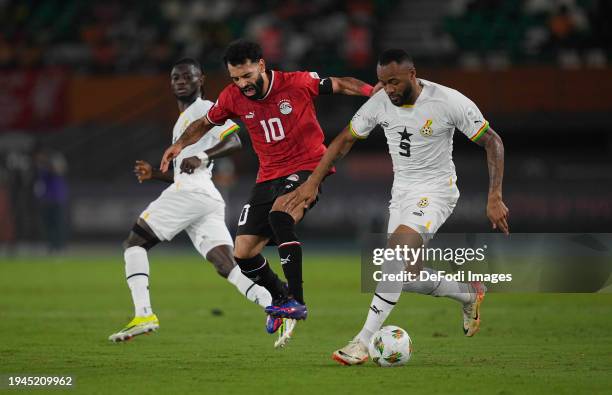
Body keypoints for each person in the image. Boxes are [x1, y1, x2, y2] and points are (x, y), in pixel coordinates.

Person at [285, 49, 509, 365]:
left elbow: (493, 141)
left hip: (436, 193)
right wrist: (312, 182)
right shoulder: (380, 102)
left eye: (393, 82)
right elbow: (344, 141)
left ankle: (362, 342)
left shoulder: (447, 101)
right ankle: (468, 292)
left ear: (412, 74)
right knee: (407, 275)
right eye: (382, 82)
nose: (388, 89)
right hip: (402, 194)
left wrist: (495, 195)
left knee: (395, 255)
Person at [160, 39, 375, 333]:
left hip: (307, 166)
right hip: (268, 175)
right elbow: (205, 122)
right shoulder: (232, 96)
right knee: (243, 252)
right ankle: (280, 296)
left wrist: (372, 93)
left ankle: (297, 301)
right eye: (235, 78)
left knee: (280, 216)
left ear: (261, 65)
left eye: (247, 76)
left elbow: (341, 84)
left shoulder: (296, 83)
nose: (243, 84)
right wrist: (179, 144)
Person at [109, 58, 275, 343]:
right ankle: (273, 304)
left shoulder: (205, 109)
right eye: (176, 77)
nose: (181, 81)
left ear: (202, 81)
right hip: (203, 195)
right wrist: (155, 175)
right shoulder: (183, 121)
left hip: (193, 192)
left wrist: (204, 156)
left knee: (135, 243)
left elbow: (235, 140)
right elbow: (184, 172)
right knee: (226, 265)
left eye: (188, 76)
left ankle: (144, 314)